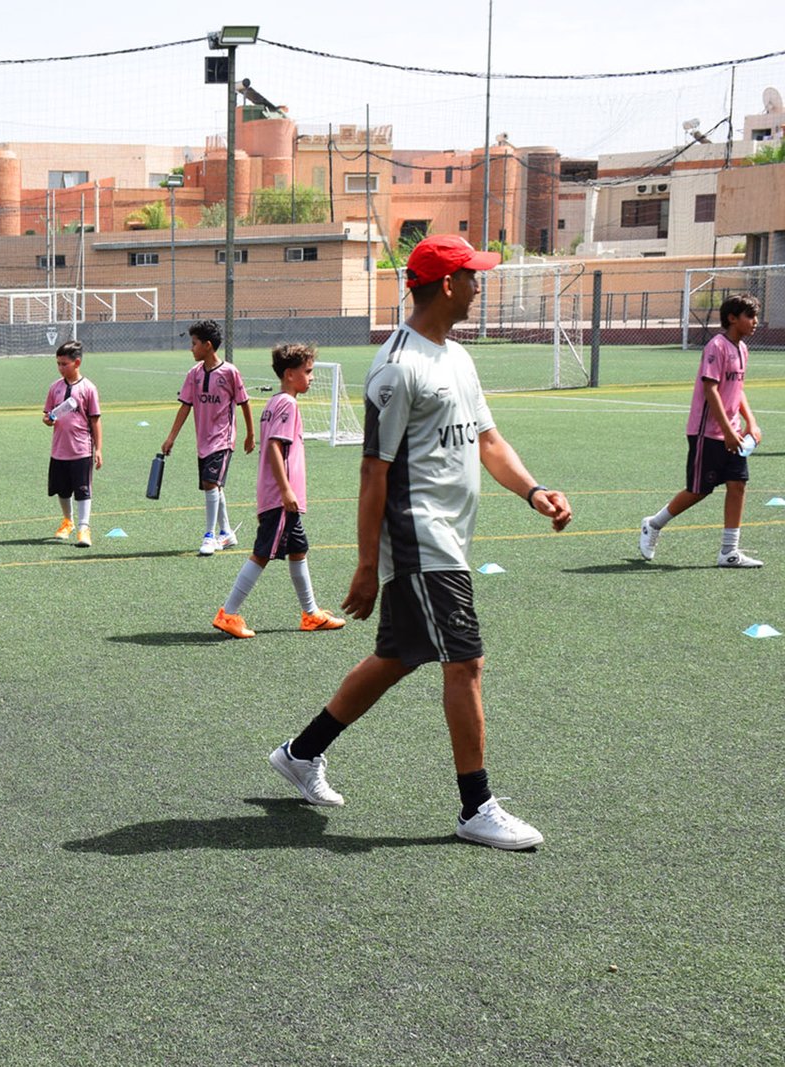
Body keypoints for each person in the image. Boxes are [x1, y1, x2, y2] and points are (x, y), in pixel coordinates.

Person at [265, 234, 572, 850]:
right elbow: (372, 470)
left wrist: (533, 490)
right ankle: (477, 807)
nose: (479, 286)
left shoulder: (456, 356)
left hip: (448, 537)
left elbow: (488, 440)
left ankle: (302, 752)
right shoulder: (397, 367)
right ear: (448, 285)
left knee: (400, 655)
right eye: (473, 276)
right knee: (466, 661)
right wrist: (365, 564)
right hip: (419, 536)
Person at [212, 343, 346, 638]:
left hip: (277, 497)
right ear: (289, 374)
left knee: (299, 549)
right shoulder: (288, 404)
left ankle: (311, 614)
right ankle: (228, 613)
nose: (312, 377)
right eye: (307, 371)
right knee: (262, 553)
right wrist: (286, 491)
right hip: (280, 498)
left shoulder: (274, 402)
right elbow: (274, 446)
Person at [639, 293, 764, 567]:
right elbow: (711, 390)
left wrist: (751, 423)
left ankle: (729, 552)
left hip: (732, 432)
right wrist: (727, 431)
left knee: (738, 485)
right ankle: (654, 524)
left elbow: (738, 390)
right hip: (706, 433)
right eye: (750, 316)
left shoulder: (742, 349)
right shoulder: (716, 346)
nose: (755, 321)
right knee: (699, 490)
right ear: (732, 318)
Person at [160, 319, 255, 556]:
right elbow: (185, 406)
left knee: (211, 483)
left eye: (194, 343)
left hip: (223, 439)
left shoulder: (230, 372)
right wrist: (171, 437)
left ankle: (209, 536)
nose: (191, 348)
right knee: (211, 485)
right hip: (203, 441)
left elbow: (244, 403)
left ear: (208, 345)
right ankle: (227, 533)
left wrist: (250, 434)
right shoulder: (193, 374)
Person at [42, 340, 102, 548]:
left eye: (64, 364)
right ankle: (68, 521)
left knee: (83, 489)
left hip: (81, 449)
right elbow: (47, 415)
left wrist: (98, 449)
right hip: (59, 449)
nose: (60, 368)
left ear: (77, 363)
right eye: (58, 364)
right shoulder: (55, 388)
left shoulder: (88, 388)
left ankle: (84, 527)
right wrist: (48, 419)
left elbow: (95, 420)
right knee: (62, 489)